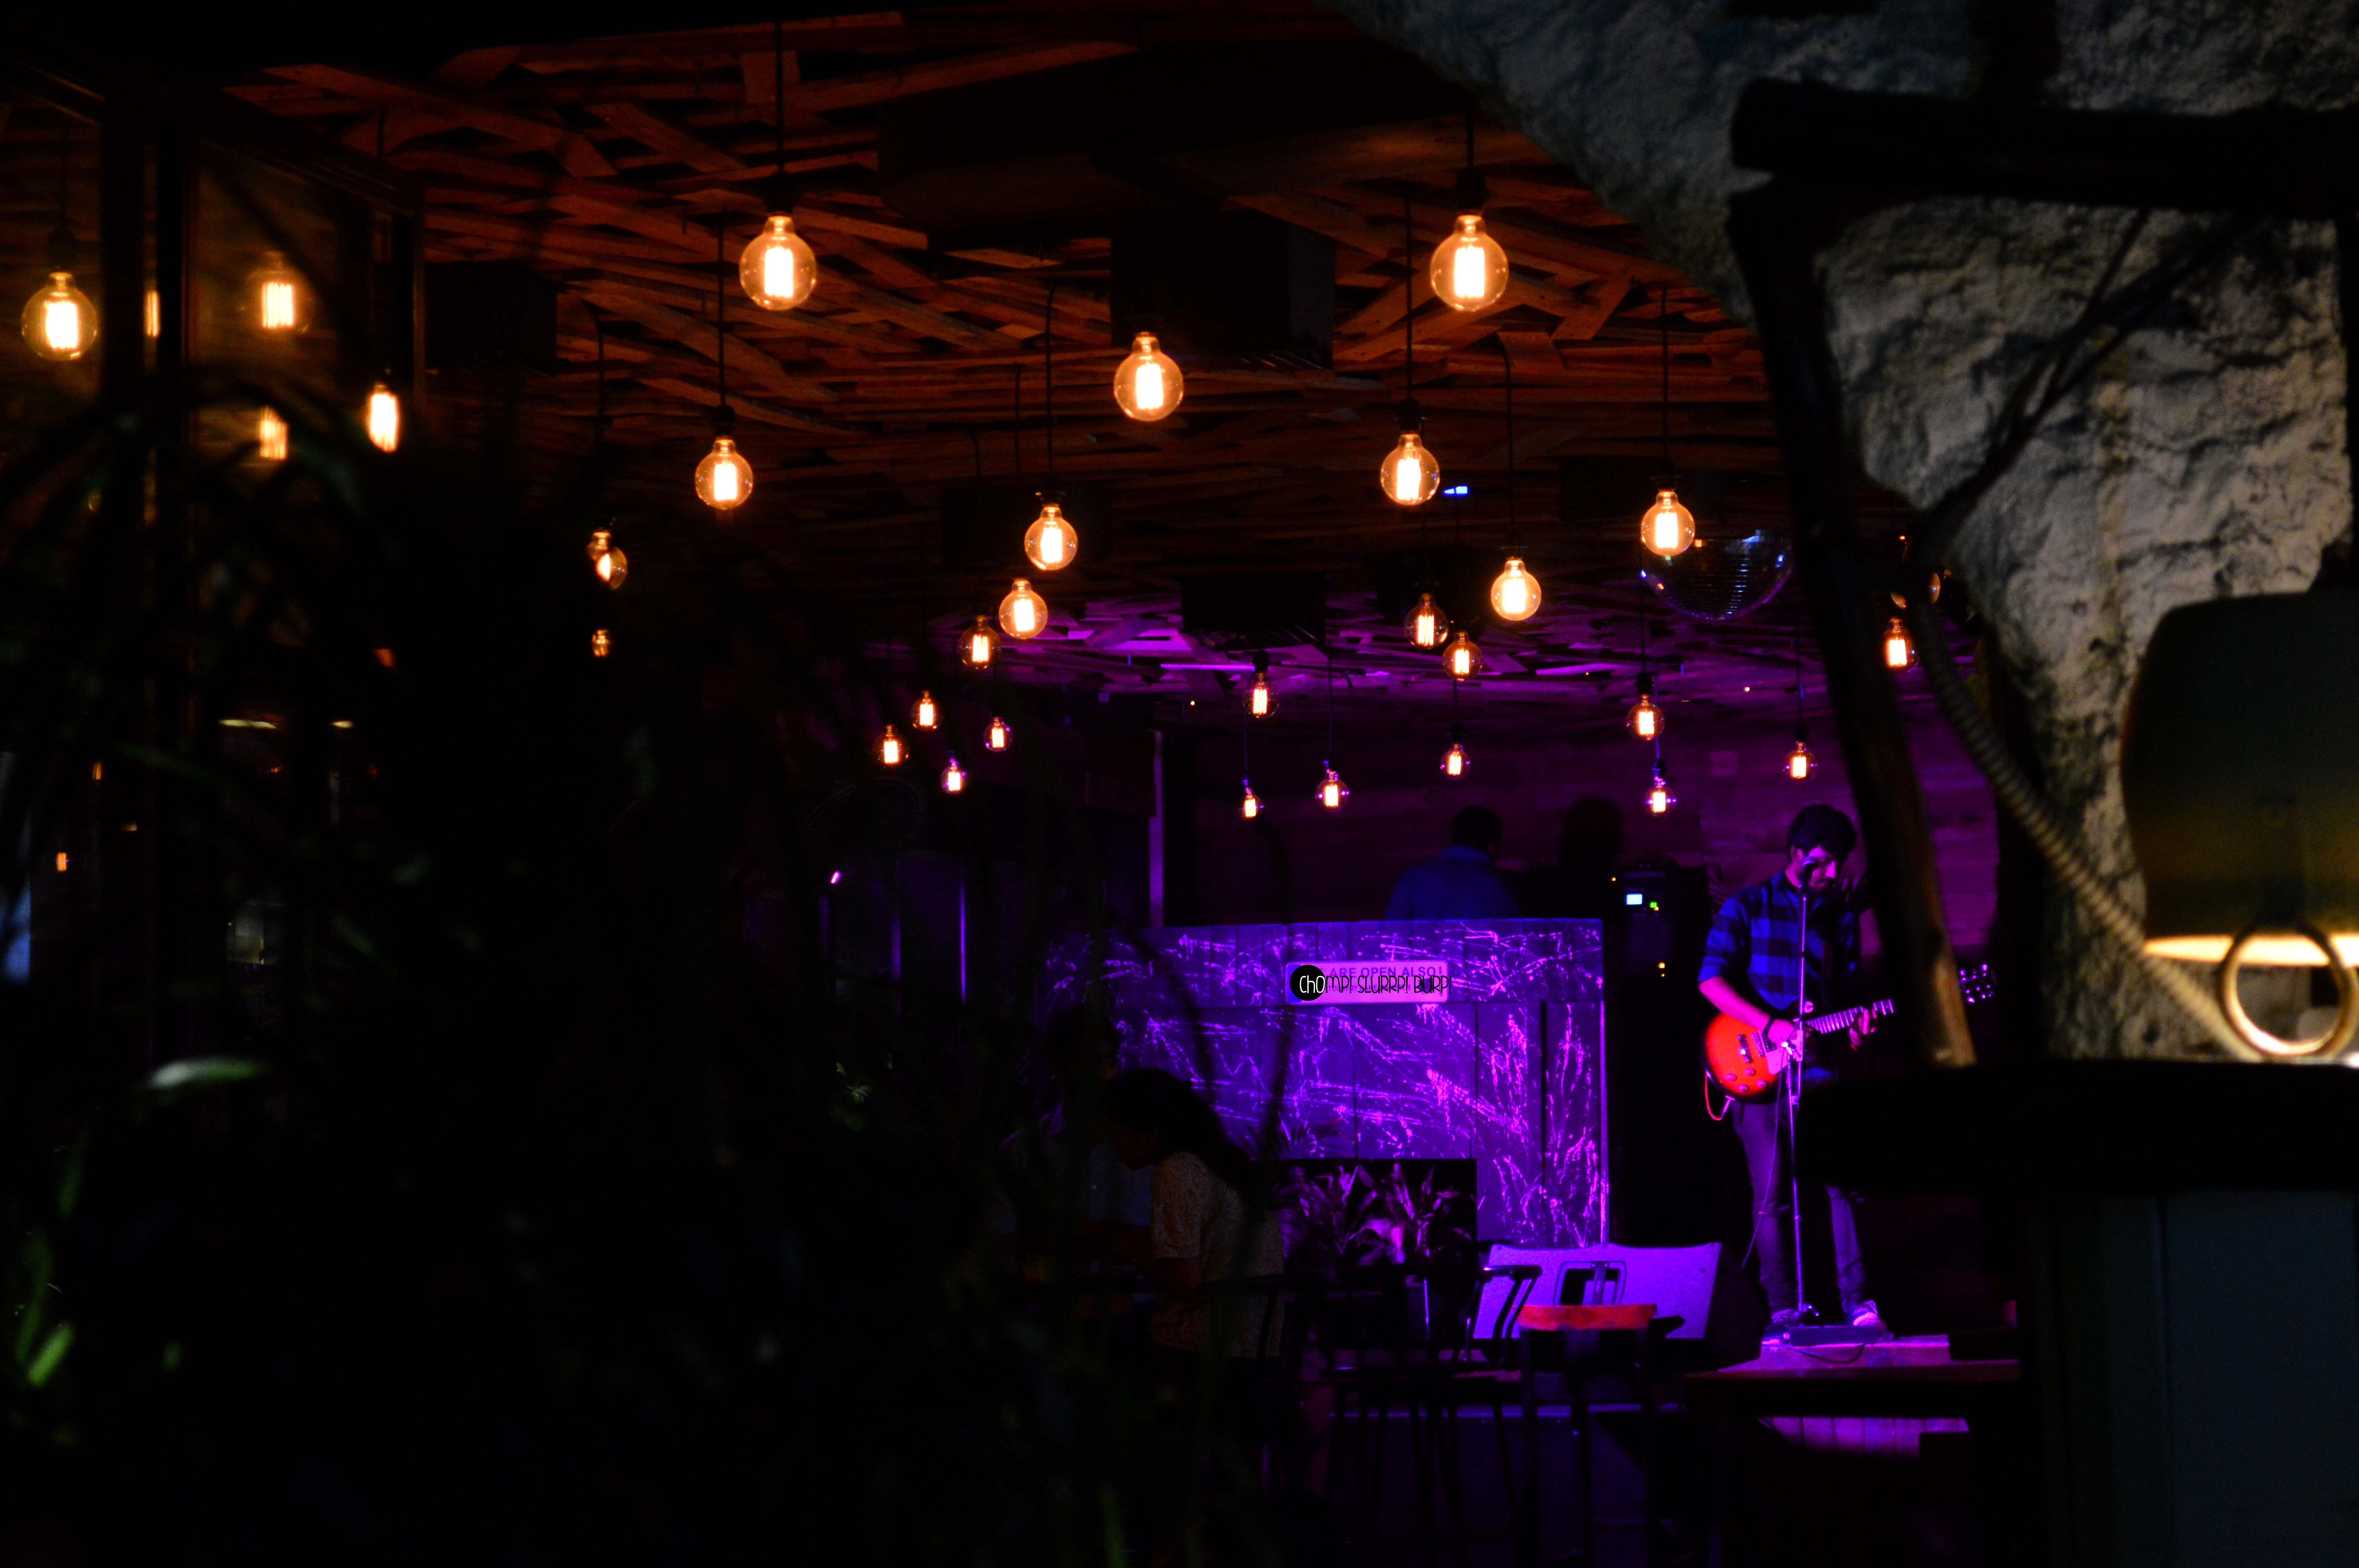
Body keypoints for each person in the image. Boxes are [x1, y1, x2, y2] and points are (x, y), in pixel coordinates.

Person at [1696, 804, 1883, 1338]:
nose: (1833, 873)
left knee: (1844, 1186)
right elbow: (1710, 980)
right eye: (1823, 861)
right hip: (1758, 1070)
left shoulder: (1840, 918)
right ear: (1797, 855)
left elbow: (1846, 999)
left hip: (1820, 1073)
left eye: (1840, 863)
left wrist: (1857, 1028)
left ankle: (1859, 1304)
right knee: (1772, 1198)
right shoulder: (1748, 905)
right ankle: (1782, 1309)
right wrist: (1771, 1025)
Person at [1104, 1068, 1285, 1360]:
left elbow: (1185, 1284)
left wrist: (1134, 1247)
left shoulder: (1177, 1172)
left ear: (1149, 1132)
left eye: (1117, 1134)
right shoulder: (1224, 1164)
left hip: (1205, 1348)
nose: (1111, 1145)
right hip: (1256, 1346)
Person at [1385, 805, 1521, 920]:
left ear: (1453, 837)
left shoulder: (1414, 877)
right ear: (1492, 845)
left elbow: (1391, 933)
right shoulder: (1504, 885)